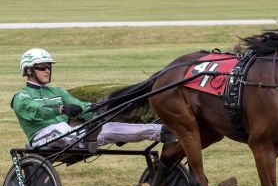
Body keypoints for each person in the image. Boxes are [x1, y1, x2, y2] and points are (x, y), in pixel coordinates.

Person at [11, 48, 174, 148]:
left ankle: (160, 131)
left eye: (49, 66)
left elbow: (79, 105)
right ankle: (85, 135)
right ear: (29, 70)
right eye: (42, 67)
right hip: (42, 137)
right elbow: (36, 110)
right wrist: (61, 109)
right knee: (61, 128)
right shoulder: (21, 96)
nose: (47, 70)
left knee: (108, 126)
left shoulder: (58, 91)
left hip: (71, 135)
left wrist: (97, 111)